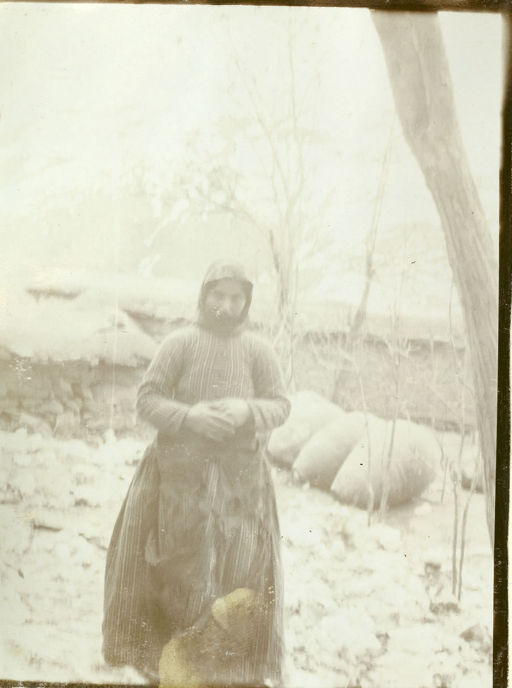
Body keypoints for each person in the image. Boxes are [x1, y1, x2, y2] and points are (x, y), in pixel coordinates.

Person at [102, 261, 290, 686]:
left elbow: (281, 405)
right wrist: (190, 418)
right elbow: (146, 399)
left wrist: (248, 410)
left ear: (246, 302)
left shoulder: (259, 351)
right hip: (177, 477)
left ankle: (227, 667)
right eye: (218, 295)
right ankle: (162, 660)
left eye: (236, 297)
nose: (226, 304)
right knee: (173, 567)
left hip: (241, 482)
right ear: (204, 295)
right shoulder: (179, 344)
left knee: (238, 569)